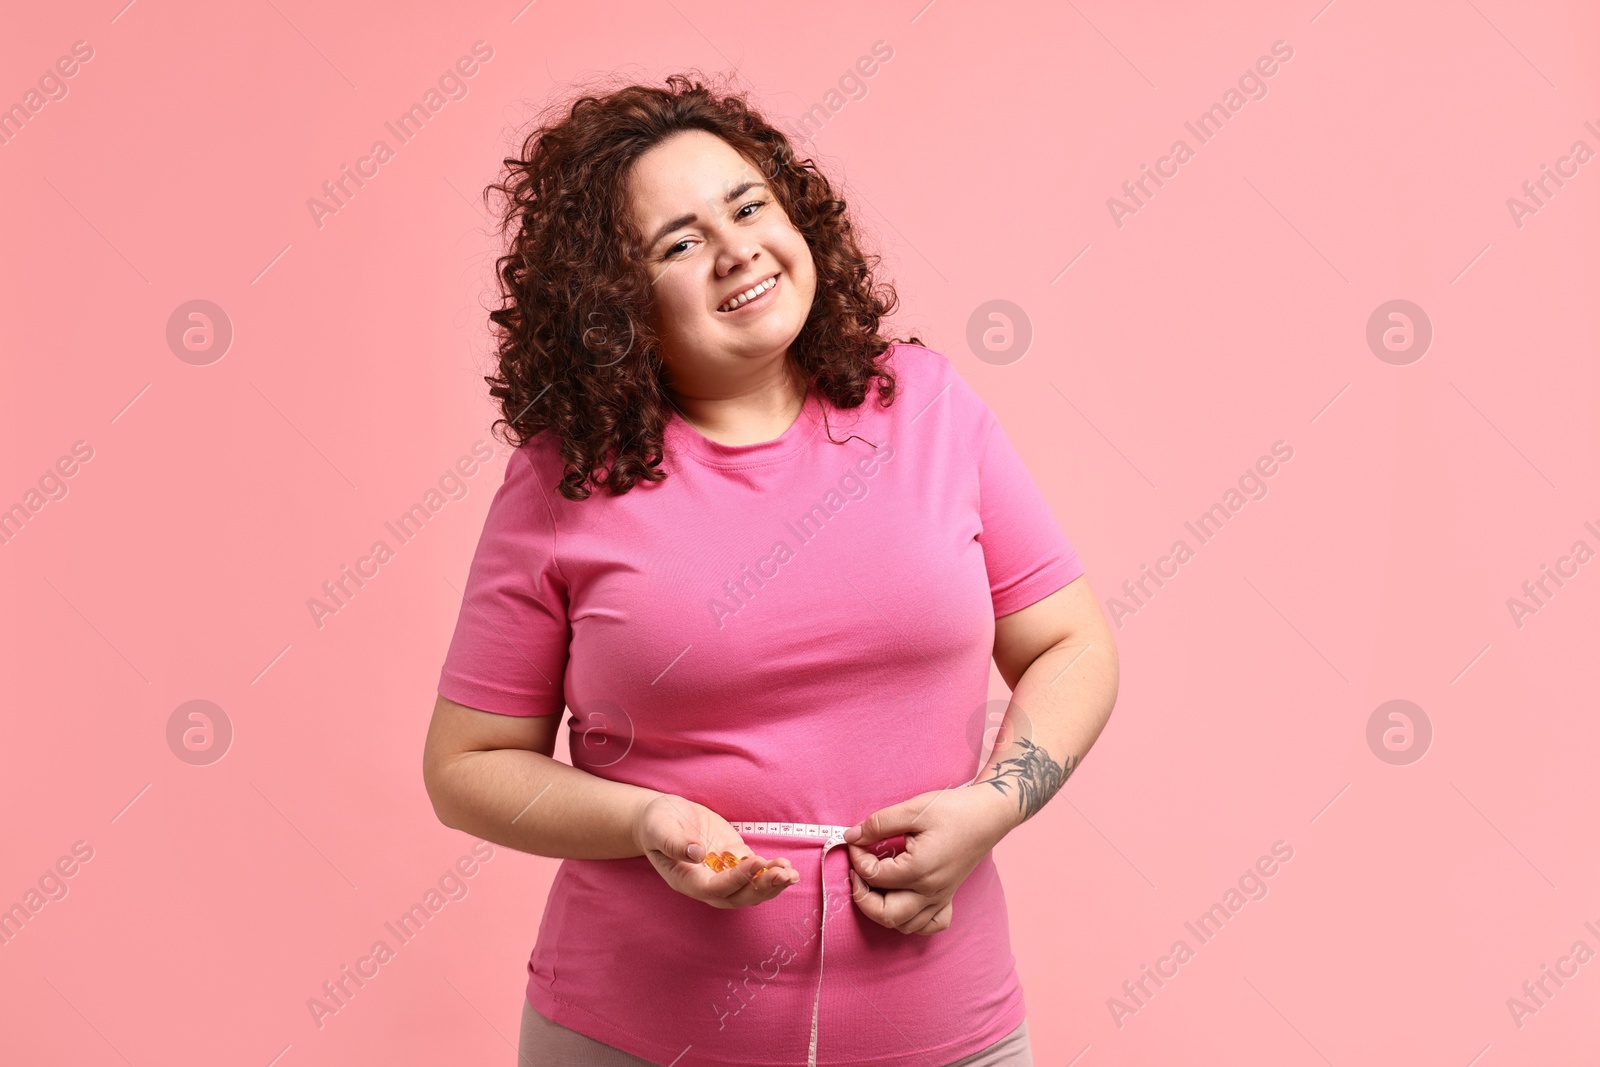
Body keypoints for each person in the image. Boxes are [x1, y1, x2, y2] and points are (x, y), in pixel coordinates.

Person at [421, 72, 1120, 1067]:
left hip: (945, 1036)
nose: (736, 248)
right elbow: (465, 765)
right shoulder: (560, 478)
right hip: (628, 1038)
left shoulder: (927, 406)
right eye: (678, 242)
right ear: (614, 303)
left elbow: (1072, 641)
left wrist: (995, 803)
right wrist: (646, 820)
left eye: (748, 205)